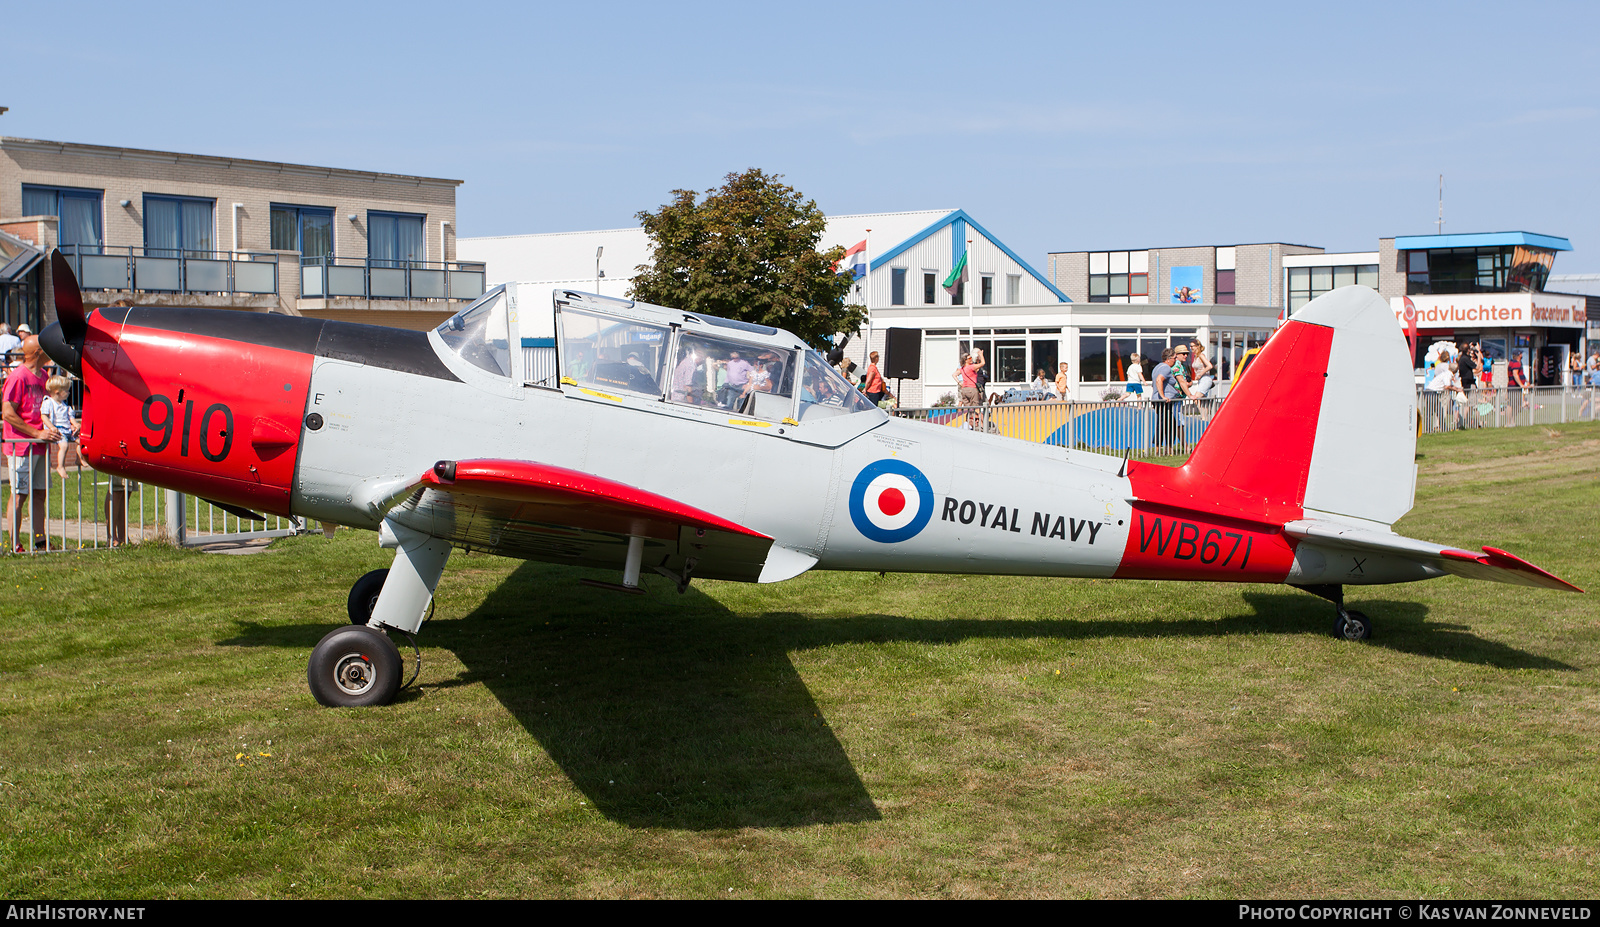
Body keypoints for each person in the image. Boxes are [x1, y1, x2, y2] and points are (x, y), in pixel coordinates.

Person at [2, 335, 62, 553]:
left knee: (39, 494)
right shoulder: (18, 377)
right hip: (21, 446)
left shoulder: (44, 376)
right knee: (19, 494)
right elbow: (8, 413)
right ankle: (15, 544)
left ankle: (39, 542)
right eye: (44, 348)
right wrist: (36, 433)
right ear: (38, 352)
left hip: (39, 446)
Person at [41, 376, 78, 480]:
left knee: (81, 441)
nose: (69, 393)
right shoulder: (48, 402)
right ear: (57, 392)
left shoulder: (64, 405)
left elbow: (71, 418)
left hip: (67, 429)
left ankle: (79, 458)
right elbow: (44, 416)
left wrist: (76, 425)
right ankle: (60, 466)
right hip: (58, 429)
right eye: (66, 391)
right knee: (64, 446)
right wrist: (51, 427)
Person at [1152, 347, 1181, 449]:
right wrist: (1163, 396)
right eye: (1174, 358)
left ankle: (1161, 448)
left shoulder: (1157, 367)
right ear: (1168, 359)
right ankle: (1165, 448)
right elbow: (1159, 380)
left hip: (1157, 399)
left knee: (1165, 424)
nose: (1175, 360)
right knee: (1167, 425)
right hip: (1164, 401)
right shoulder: (1166, 368)